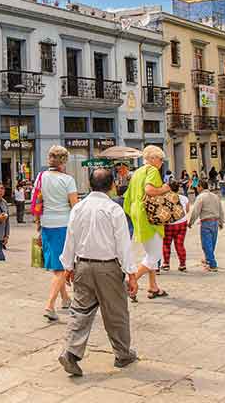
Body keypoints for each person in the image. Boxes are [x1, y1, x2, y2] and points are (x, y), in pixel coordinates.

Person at [57, 168, 138, 377]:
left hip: (82, 266)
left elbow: (70, 238)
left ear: (90, 185)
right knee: (116, 312)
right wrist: (131, 273)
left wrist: (68, 266)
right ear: (112, 186)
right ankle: (122, 354)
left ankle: (71, 353)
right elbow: (123, 244)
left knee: (80, 311)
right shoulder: (114, 210)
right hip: (108, 268)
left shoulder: (78, 208)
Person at [35, 145, 77, 322]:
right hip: (63, 224)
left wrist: (38, 225)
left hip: (46, 223)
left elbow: (37, 201)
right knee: (62, 267)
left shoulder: (41, 177)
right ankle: (50, 306)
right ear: (64, 162)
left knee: (56, 263)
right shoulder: (68, 180)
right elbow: (74, 205)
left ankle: (66, 299)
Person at [123, 145, 169, 301]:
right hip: (149, 217)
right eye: (161, 159)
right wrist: (165, 188)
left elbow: (127, 198)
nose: (162, 162)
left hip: (137, 215)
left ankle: (153, 287)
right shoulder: (152, 170)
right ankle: (131, 280)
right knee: (154, 255)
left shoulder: (136, 172)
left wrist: (135, 213)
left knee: (150, 252)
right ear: (153, 159)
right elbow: (150, 190)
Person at [186, 181, 225, 272]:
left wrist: (190, 222)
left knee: (206, 244)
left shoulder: (200, 197)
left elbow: (196, 211)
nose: (197, 189)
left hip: (206, 222)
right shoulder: (215, 196)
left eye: (197, 187)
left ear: (200, 187)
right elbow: (220, 210)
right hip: (215, 222)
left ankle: (212, 264)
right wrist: (221, 221)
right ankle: (208, 259)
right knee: (212, 242)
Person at [161, 182, 191, 272]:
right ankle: (182, 264)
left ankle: (166, 264)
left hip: (168, 224)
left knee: (166, 244)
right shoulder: (184, 198)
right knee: (180, 244)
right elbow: (187, 210)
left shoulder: (165, 198)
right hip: (182, 223)